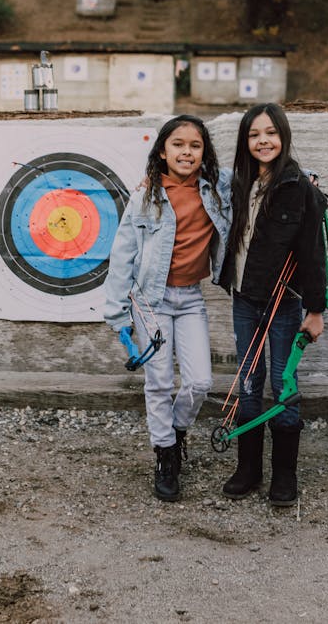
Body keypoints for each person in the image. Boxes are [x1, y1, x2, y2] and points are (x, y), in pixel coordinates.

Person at [103, 115, 231, 502]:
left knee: (199, 382)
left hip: (190, 297)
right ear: (162, 151)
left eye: (195, 145)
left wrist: (304, 175)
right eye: (178, 144)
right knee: (158, 381)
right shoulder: (146, 195)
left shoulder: (219, 188)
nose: (186, 152)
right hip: (149, 301)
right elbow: (123, 252)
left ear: (204, 151)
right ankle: (165, 456)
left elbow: (261, 174)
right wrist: (117, 312)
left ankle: (174, 435)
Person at [218, 102, 326, 507]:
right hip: (244, 299)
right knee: (248, 384)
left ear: (283, 136)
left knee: (283, 385)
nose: (263, 141)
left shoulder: (300, 188)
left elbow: (314, 254)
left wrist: (315, 312)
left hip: (284, 304)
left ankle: (284, 476)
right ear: (245, 142)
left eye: (270, 133)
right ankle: (248, 470)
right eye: (254, 135)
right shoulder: (239, 183)